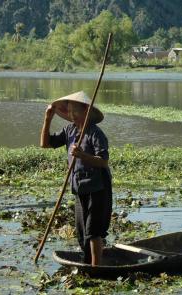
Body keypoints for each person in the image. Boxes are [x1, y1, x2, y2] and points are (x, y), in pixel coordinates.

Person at [40, 91, 112, 266]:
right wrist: (48, 118)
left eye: (75, 111)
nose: (71, 115)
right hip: (79, 188)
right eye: (69, 111)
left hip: (98, 188)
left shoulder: (95, 133)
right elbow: (45, 144)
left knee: (93, 231)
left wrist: (81, 155)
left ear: (86, 111)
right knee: (81, 233)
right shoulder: (70, 130)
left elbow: (103, 161)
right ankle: (87, 263)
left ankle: (97, 270)